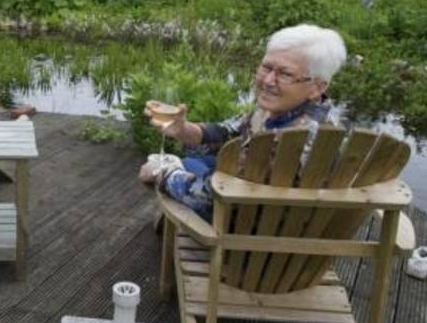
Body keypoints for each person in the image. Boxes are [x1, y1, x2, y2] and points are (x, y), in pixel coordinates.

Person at [142, 24, 347, 221]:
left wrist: (161, 173)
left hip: (249, 231)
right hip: (263, 208)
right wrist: (184, 130)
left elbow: (208, 198)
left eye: (285, 74)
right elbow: (229, 131)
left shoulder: (292, 141)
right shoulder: (291, 110)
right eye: (266, 67)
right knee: (196, 159)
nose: (268, 81)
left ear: (318, 87)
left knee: (186, 164)